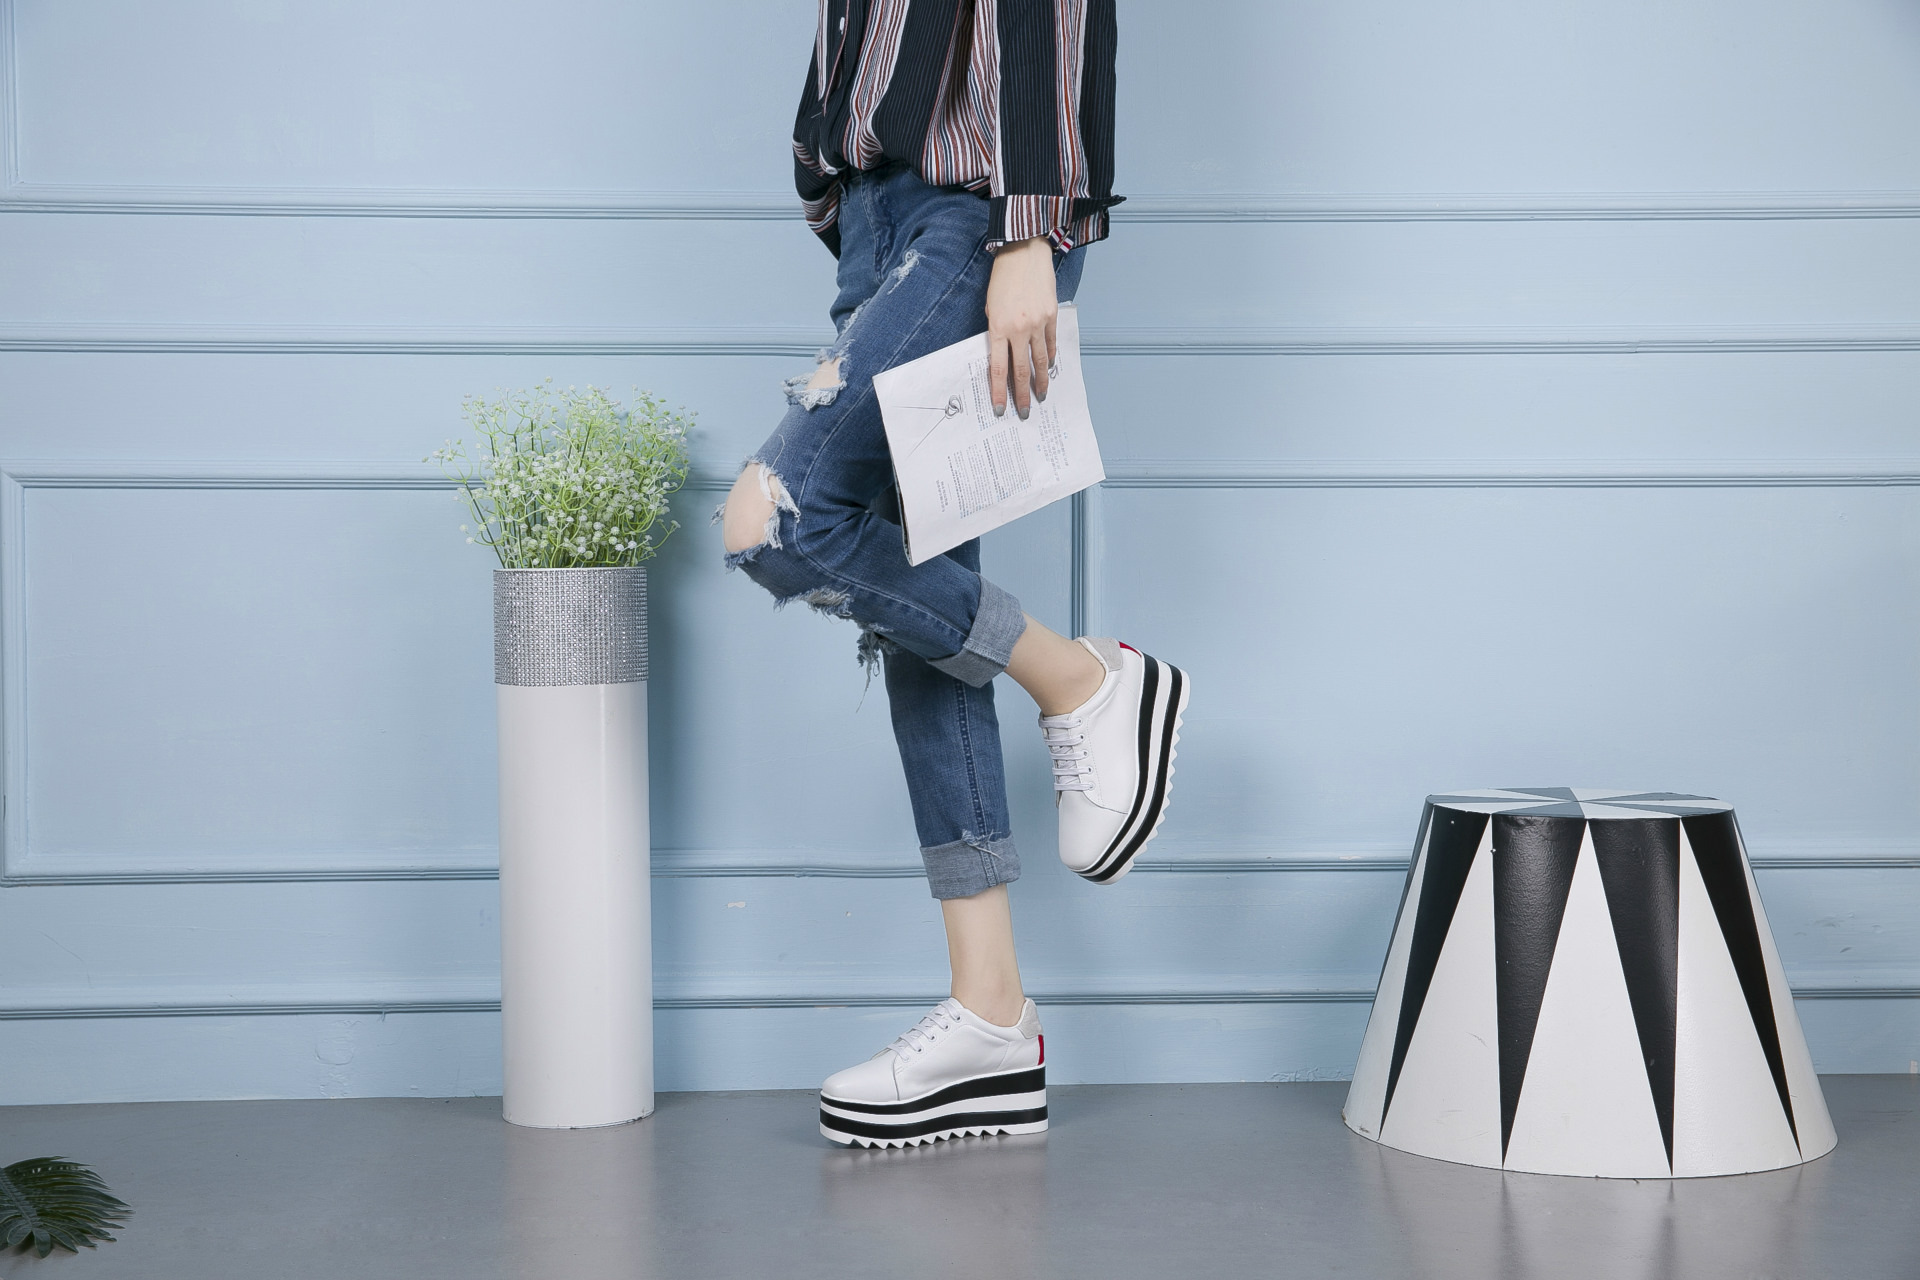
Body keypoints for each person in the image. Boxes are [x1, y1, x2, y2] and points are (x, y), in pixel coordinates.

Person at [720, 0, 1189, 1149]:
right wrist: (831, 176)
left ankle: (1084, 680)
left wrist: (1026, 232)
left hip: (974, 212)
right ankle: (991, 1013)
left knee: (778, 520)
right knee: (924, 608)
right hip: (878, 213)